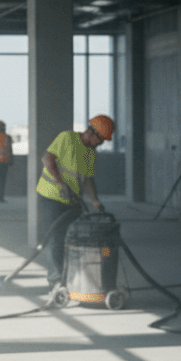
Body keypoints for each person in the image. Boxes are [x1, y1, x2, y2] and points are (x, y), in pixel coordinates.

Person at [36, 115, 113, 304]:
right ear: (91, 132)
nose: (101, 144)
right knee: (56, 240)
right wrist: (61, 184)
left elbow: (87, 181)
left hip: (72, 201)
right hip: (51, 196)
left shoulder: (91, 153)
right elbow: (47, 159)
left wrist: (96, 202)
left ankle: (71, 280)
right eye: (100, 139)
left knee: (74, 241)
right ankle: (56, 283)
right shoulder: (67, 138)